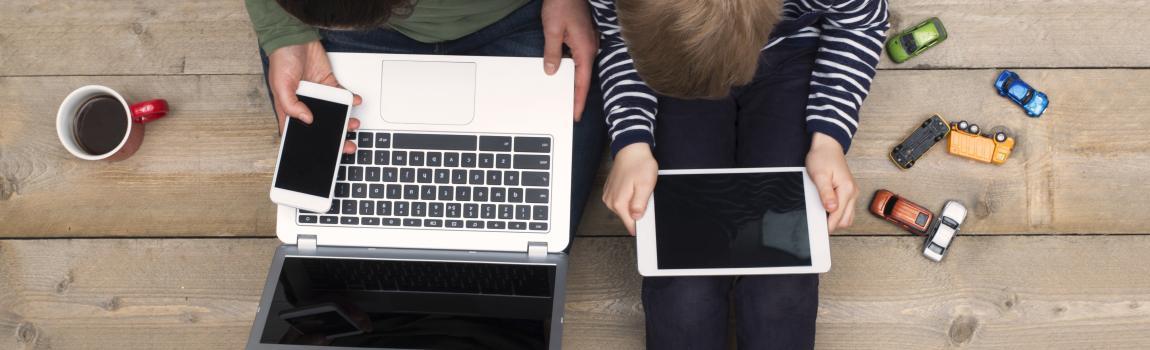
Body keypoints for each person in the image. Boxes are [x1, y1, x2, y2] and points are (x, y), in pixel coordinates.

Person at [591, 0, 889, 348]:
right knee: (682, 277)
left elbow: (861, 24)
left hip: (790, 50)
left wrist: (828, 140)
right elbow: (618, 36)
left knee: (782, 278)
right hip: (678, 58)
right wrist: (632, 145)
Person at [244, 0, 606, 239]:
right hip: (339, 21)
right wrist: (286, 32)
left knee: (518, 247)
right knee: (331, 246)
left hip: (519, 16)